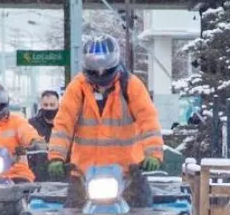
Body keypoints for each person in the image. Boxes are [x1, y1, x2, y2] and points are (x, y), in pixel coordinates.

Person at [47, 36, 165, 206]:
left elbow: (148, 121)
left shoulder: (131, 86)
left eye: (106, 70)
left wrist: (153, 154)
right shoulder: (77, 88)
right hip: (83, 173)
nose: (101, 75)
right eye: (95, 72)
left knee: (144, 214)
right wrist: (56, 157)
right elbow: (63, 124)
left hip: (128, 172)